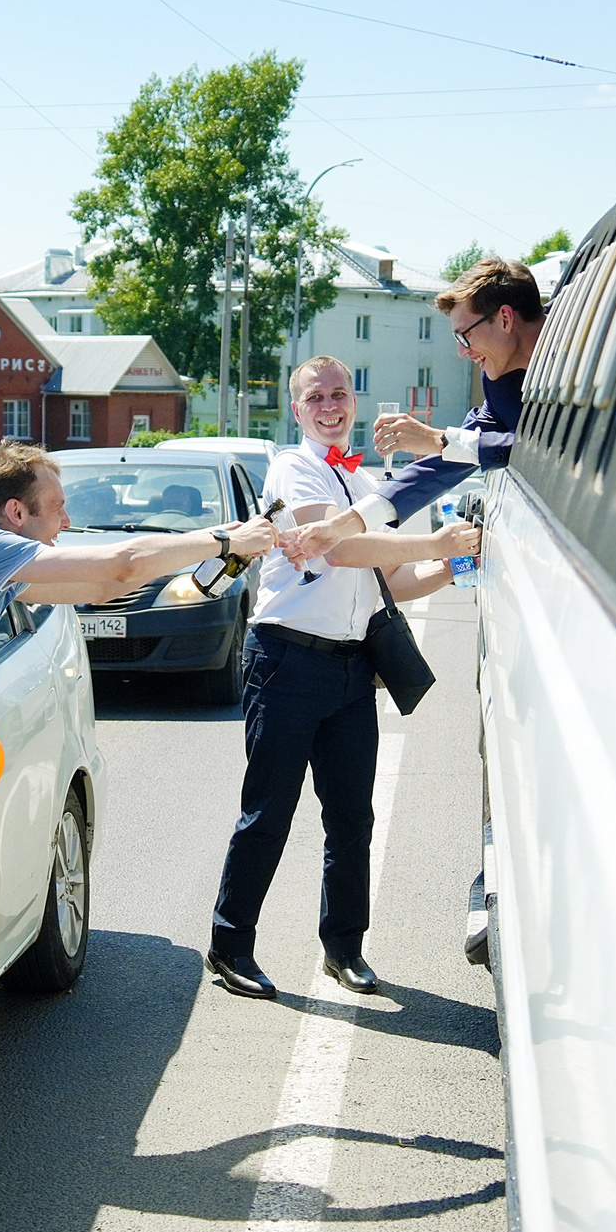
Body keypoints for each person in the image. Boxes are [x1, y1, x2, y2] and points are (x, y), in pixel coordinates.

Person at [206, 358, 482, 1002]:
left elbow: (389, 581)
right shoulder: (293, 467)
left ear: (351, 401)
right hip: (288, 661)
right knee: (267, 813)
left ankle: (343, 947)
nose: (330, 405)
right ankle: (229, 945)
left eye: (339, 394)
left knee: (353, 817)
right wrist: (433, 544)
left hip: (353, 666)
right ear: (296, 409)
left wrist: (458, 559)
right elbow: (340, 550)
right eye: (315, 398)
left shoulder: (360, 482)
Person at [0, 441, 279, 694]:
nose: (67, 523)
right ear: (16, 512)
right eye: (57, 508)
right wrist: (225, 541)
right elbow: (123, 562)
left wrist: (218, 549)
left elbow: (101, 588)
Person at [284, 256, 543, 560]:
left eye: (464, 335)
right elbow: (444, 464)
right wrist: (340, 526)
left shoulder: (589, 349)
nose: (461, 352)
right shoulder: (497, 382)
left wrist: (438, 440)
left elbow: (552, 450)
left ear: (505, 319)